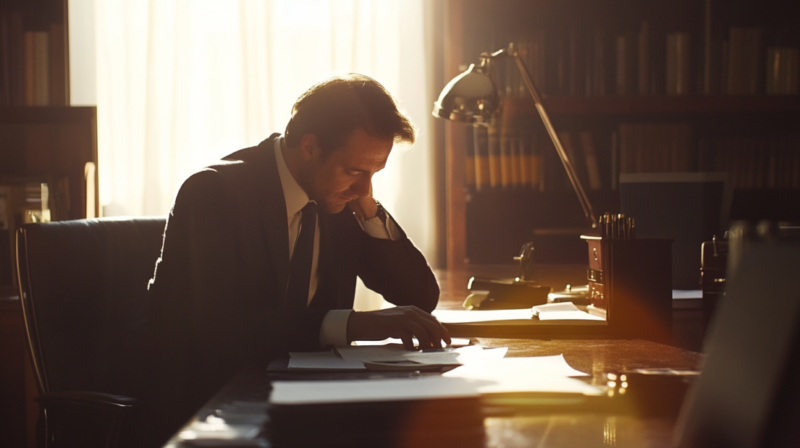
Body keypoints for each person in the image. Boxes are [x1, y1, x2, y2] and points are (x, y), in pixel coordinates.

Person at [145, 74, 449, 444]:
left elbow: (419, 296)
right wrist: (352, 326)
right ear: (309, 147)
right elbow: (219, 327)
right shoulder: (214, 193)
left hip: (312, 401)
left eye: (374, 174)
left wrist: (369, 210)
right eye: (356, 171)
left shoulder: (338, 197)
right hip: (217, 408)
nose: (364, 188)